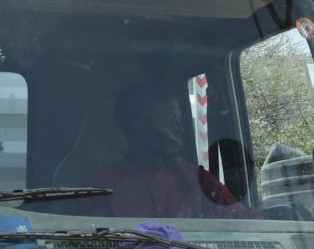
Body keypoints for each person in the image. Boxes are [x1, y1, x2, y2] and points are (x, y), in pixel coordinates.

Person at [85, 83, 241, 218]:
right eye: (170, 120)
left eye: (179, 121)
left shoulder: (196, 180)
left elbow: (244, 220)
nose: (180, 129)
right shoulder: (101, 189)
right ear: (137, 125)